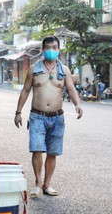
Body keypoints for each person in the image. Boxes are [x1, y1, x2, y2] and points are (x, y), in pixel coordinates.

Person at [14, 36, 83, 197]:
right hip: (37, 116)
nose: (51, 50)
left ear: (59, 49)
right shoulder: (34, 69)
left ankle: (47, 184)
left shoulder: (64, 70)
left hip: (57, 118)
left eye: (54, 47)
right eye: (48, 47)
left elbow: (71, 89)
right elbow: (25, 90)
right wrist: (18, 112)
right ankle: (38, 183)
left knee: (52, 152)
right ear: (43, 50)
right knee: (37, 150)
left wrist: (77, 104)